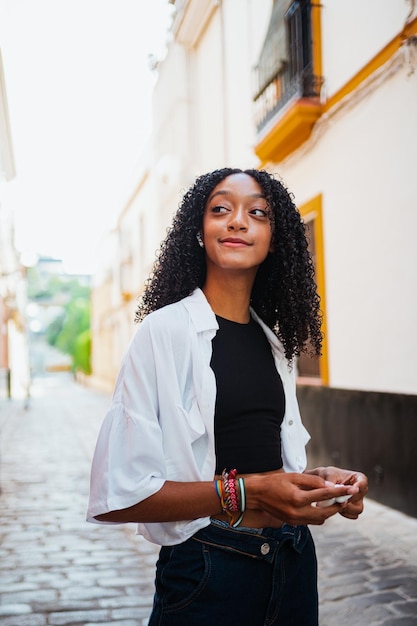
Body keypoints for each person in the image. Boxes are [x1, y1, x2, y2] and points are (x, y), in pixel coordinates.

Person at [87, 167, 368, 626]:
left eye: (257, 213)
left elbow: (268, 465)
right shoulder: (166, 332)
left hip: (294, 560)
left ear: (275, 239)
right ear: (199, 232)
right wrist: (249, 489)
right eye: (220, 209)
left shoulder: (275, 344)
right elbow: (120, 495)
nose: (237, 221)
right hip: (211, 570)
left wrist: (320, 484)